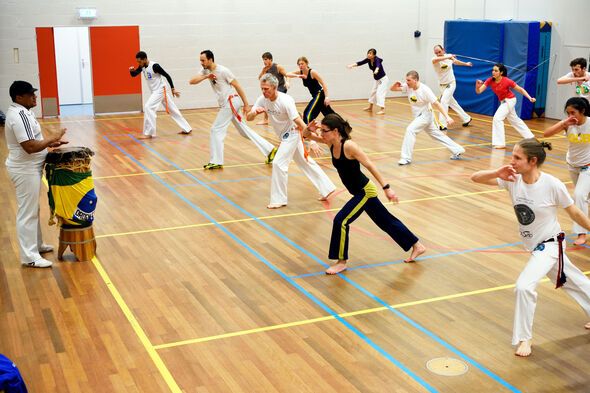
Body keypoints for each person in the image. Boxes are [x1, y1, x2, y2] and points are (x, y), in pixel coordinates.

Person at [471, 138, 590, 357]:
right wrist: (497, 172)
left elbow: (574, 212)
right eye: (512, 156)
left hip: (550, 245)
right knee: (572, 281)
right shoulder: (511, 179)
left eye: (517, 157)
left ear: (532, 161)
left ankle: (525, 339)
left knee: (524, 286)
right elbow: (475, 178)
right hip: (535, 246)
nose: (512, 161)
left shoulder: (552, 184)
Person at [303, 114, 425, 274]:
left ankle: (341, 262)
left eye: (324, 131)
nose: (321, 134)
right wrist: (309, 129)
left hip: (365, 192)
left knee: (341, 220)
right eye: (321, 131)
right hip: (359, 192)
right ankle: (417, 245)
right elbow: (306, 135)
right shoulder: (331, 142)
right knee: (386, 221)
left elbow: (369, 164)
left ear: (335, 130)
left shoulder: (349, 146)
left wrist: (386, 187)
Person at [247, 73, 336, 209]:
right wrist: (254, 113)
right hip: (283, 136)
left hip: (292, 133)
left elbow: (299, 121)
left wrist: (311, 138)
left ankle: (279, 199)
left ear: (274, 87)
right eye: (262, 89)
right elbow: (248, 118)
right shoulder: (262, 99)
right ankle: (327, 188)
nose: (264, 91)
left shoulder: (286, 100)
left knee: (278, 163)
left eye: (266, 89)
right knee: (304, 161)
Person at [5, 81, 68, 268]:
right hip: (25, 170)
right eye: (31, 94)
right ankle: (29, 256)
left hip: (29, 168)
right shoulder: (18, 115)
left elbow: (34, 142)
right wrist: (52, 137)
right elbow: (30, 147)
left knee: (33, 210)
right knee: (27, 212)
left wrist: (49, 144)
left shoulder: (25, 112)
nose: (35, 96)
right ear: (19, 98)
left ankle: (37, 245)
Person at [190, 50, 277, 169]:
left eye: (203, 60)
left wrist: (246, 104)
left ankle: (216, 161)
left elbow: (237, 86)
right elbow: (192, 81)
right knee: (243, 131)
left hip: (231, 102)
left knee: (216, 130)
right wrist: (206, 76)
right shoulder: (205, 70)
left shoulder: (223, 71)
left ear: (210, 60)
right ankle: (270, 150)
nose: (201, 63)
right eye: (200, 60)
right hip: (228, 103)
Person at [390, 70, 465, 165]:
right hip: (419, 116)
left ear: (415, 80)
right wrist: (394, 85)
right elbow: (392, 89)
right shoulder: (408, 87)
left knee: (410, 130)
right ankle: (458, 149)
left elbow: (437, 104)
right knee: (436, 134)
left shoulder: (425, 90)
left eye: (409, 80)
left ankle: (406, 158)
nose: (407, 82)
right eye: (406, 80)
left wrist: (447, 117)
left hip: (425, 115)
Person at [543, 97, 590, 245]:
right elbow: (546, 134)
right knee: (585, 196)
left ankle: (582, 232)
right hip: (572, 165)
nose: (570, 116)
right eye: (568, 113)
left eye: (573, 113)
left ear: (582, 111)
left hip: (588, 166)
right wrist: (564, 123)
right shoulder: (567, 124)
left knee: (579, 195)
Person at [129, 51, 192, 138]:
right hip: (157, 91)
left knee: (148, 107)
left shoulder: (155, 66)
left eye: (139, 61)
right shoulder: (142, 66)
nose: (138, 63)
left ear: (144, 59)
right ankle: (187, 128)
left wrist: (173, 88)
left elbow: (167, 75)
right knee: (172, 109)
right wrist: (131, 71)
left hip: (160, 90)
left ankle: (149, 133)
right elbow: (134, 74)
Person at [475, 63, 535, 149]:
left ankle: (500, 143)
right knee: (515, 120)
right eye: (493, 70)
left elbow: (521, 89)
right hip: (503, 102)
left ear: (501, 72)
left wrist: (530, 98)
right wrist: (477, 86)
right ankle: (530, 137)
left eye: (496, 71)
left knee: (497, 118)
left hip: (510, 100)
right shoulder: (490, 80)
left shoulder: (507, 81)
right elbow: (479, 91)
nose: (493, 72)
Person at [431, 45, 472, 130]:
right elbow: (435, 60)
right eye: (436, 53)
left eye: (439, 52)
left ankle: (442, 125)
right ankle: (466, 118)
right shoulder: (435, 59)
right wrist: (448, 57)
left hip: (451, 83)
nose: (438, 54)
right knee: (452, 103)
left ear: (443, 50)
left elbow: (456, 62)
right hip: (442, 86)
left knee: (444, 102)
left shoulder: (449, 56)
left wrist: (466, 64)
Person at [286, 56, 335, 124]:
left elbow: (323, 83)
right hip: (315, 96)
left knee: (308, 113)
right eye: (299, 64)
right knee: (329, 113)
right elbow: (287, 74)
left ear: (306, 63)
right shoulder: (300, 73)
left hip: (319, 94)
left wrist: (326, 97)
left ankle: (308, 131)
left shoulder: (312, 72)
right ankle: (344, 126)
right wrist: (298, 76)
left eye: (302, 63)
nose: (300, 65)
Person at [347, 48, 389, 115]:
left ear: (374, 55)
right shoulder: (368, 60)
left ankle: (382, 109)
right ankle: (370, 107)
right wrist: (351, 65)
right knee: (373, 92)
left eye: (370, 53)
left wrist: (376, 70)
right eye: (368, 53)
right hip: (377, 80)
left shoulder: (377, 59)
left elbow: (378, 65)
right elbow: (360, 63)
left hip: (383, 79)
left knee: (379, 93)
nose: (369, 55)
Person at [256, 52, 290, 125]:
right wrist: (263, 71)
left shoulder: (278, 67)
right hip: (272, 89)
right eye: (263, 60)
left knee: (271, 99)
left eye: (265, 59)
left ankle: (289, 115)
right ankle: (265, 119)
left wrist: (287, 82)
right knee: (266, 98)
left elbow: (288, 75)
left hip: (281, 87)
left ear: (270, 59)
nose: (264, 62)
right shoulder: (265, 69)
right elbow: (260, 78)